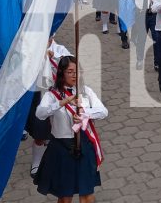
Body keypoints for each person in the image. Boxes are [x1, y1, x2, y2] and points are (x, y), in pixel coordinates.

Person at [35, 55, 107, 203]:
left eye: (77, 71)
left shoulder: (85, 91)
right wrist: (62, 102)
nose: (75, 75)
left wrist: (85, 114)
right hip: (61, 148)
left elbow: (103, 111)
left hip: (84, 145)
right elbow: (40, 114)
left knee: (86, 193)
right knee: (65, 196)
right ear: (61, 73)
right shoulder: (51, 95)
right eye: (70, 71)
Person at [27, 37, 72, 179]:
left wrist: (55, 57)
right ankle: (37, 162)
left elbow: (70, 65)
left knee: (61, 129)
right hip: (40, 96)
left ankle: (61, 159)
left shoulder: (60, 49)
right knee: (40, 131)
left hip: (59, 97)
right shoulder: (30, 49)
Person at [129, 0, 158, 71]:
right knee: (142, 38)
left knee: (157, 38)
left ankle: (157, 62)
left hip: (154, 12)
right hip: (141, 12)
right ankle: (140, 59)